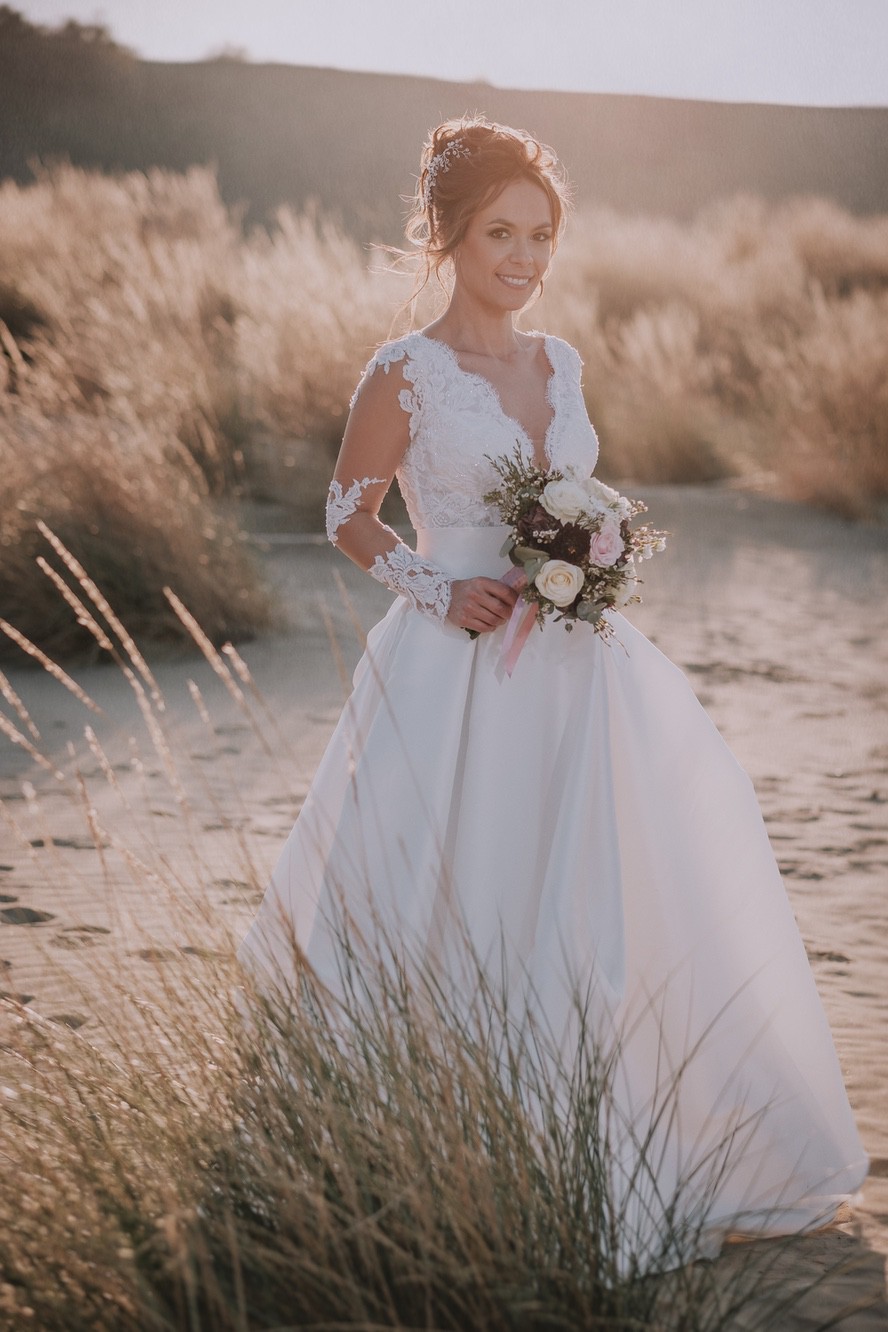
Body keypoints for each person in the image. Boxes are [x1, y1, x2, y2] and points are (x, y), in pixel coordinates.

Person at [237, 116, 867, 1266]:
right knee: (461, 881)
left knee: (604, 890)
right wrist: (438, 589)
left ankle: (616, 1125)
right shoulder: (406, 371)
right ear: (447, 235)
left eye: (542, 236)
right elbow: (346, 514)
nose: (524, 259)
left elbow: (574, 487)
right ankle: (442, 1141)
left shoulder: (562, 361)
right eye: (500, 235)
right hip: (456, 661)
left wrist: (602, 540)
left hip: (581, 662)